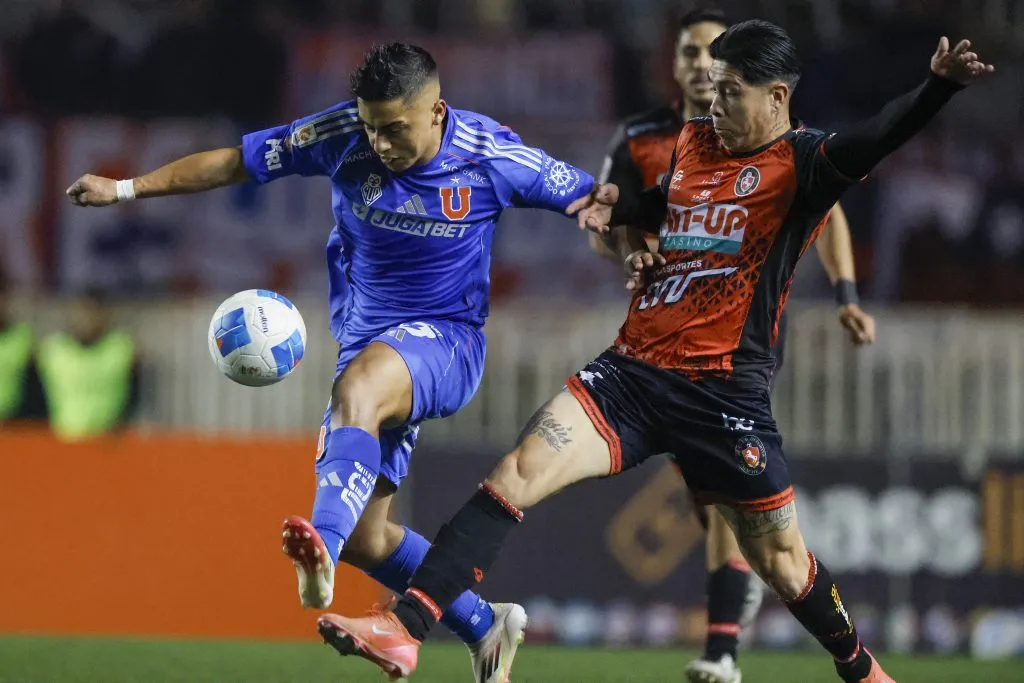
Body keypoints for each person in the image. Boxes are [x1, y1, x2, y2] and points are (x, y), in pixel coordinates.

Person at [318, 22, 992, 683]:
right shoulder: (694, 141)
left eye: (731, 92)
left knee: (785, 565)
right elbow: (663, 202)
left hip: (724, 396)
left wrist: (936, 87)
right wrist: (623, 219)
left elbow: (878, 137)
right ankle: (405, 628)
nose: (712, 103)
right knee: (515, 471)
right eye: (712, 89)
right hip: (630, 373)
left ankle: (861, 668)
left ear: (777, 99)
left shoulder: (806, 164)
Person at [66, 42, 604, 683]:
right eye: (371, 126)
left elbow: (594, 198)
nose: (379, 143)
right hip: (369, 345)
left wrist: (626, 231)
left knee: (360, 391)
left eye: (395, 128)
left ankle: (319, 540)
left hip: (448, 342)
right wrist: (125, 188)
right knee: (371, 540)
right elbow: (235, 162)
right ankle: (485, 624)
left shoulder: (491, 157)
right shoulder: (339, 134)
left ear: (437, 112)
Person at [591, 9, 876, 683]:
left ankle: (723, 648)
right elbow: (607, 222)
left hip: (730, 349)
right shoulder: (643, 139)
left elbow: (826, 210)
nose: (697, 65)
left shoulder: (781, 144)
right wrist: (630, 245)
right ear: (677, 64)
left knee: (726, 497)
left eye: (710, 56)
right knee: (713, 500)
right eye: (689, 53)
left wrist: (846, 293)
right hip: (654, 343)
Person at [36, 289, 139, 441]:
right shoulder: (54, 350)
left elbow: (135, 390)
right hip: (63, 439)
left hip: (107, 442)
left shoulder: (121, 348)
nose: (87, 319)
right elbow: (34, 390)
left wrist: (122, 424)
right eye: (82, 312)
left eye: (93, 313)